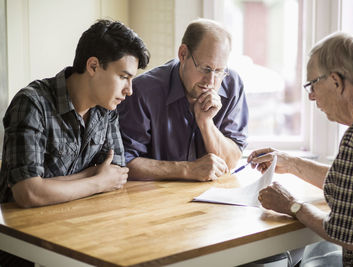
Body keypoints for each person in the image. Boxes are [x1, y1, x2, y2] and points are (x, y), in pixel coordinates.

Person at [248, 32, 353, 266]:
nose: (310, 96)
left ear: (336, 81)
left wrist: (291, 205)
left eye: (312, 84)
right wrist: (291, 163)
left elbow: (345, 235)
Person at [0, 19, 150, 208]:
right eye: (123, 77)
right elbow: (27, 192)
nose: (129, 90)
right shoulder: (32, 104)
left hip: (77, 221)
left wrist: (49, 185)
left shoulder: (106, 108)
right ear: (93, 66)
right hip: (18, 232)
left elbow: (117, 174)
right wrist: (96, 180)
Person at [117, 18, 248, 181]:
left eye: (219, 71)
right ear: (183, 54)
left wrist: (206, 124)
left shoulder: (232, 85)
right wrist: (187, 169)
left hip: (215, 197)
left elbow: (231, 161)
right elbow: (124, 163)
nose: (211, 81)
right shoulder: (142, 91)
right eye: (205, 68)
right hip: (155, 198)